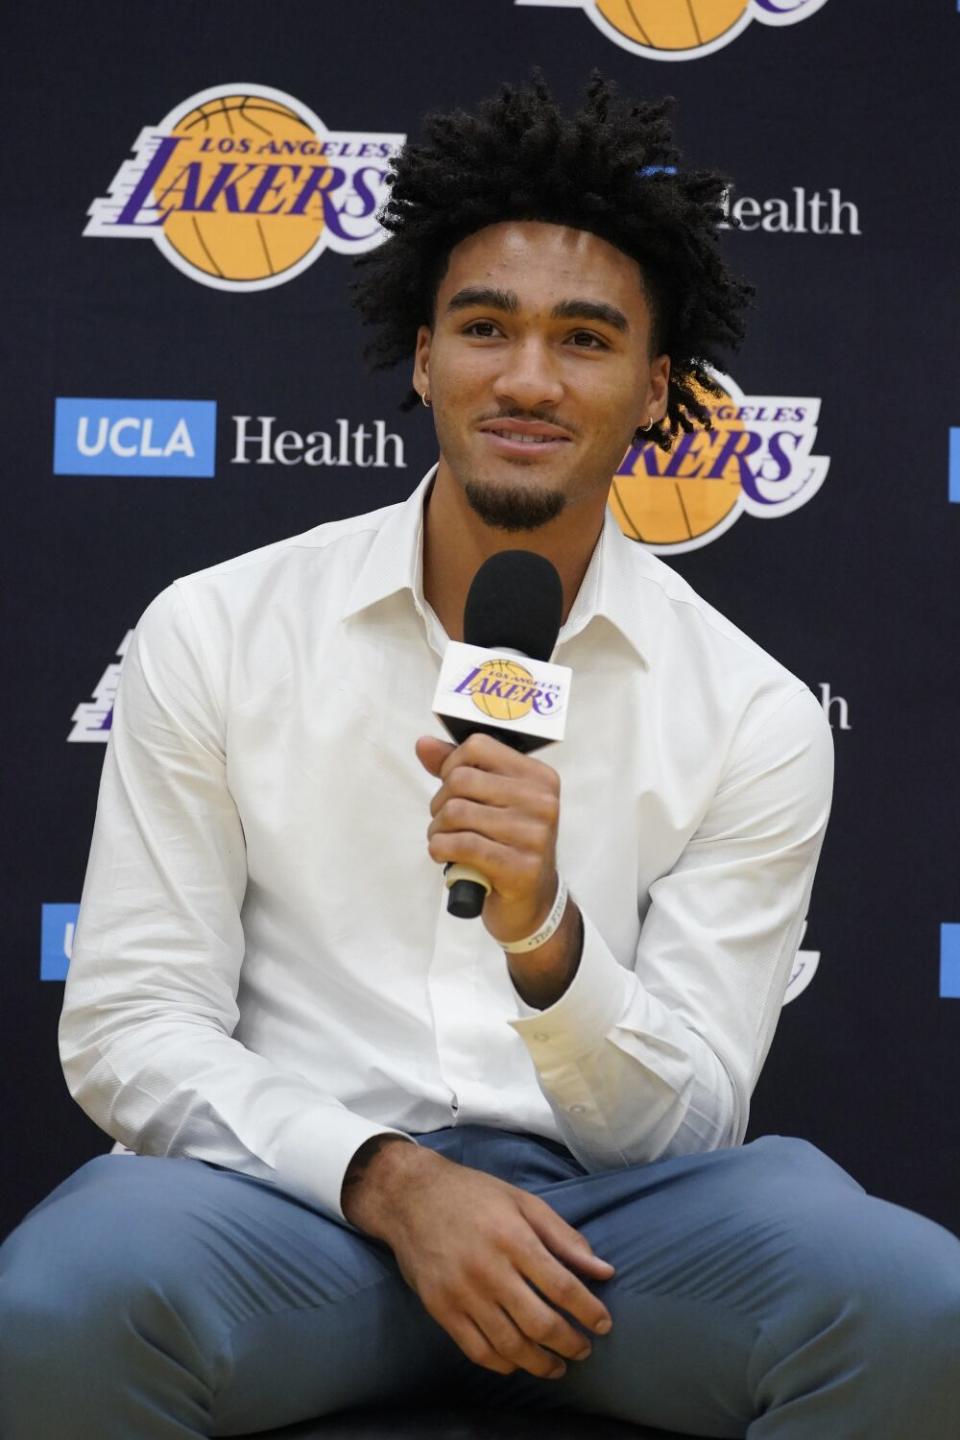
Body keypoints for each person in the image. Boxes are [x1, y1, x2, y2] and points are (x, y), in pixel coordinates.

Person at [1, 74, 958, 1440]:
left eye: (584, 339)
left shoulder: (751, 711)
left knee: (920, 1308)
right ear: (423, 356)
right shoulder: (220, 627)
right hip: (292, 1208)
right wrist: (389, 1182)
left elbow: (687, 1121)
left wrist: (548, 936)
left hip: (619, 1233)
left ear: (656, 390)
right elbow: (129, 1030)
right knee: (54, 1303)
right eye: (484, 327)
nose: (524, 376)